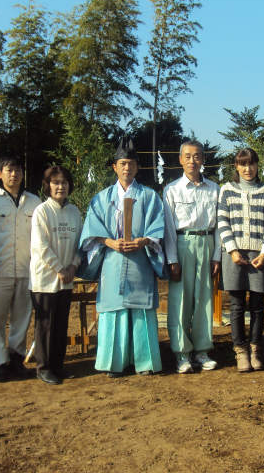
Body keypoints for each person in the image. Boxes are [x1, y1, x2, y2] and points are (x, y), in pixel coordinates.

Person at [78, 140, 165, 377]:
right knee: (113, 309)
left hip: (140, 260)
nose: (127, 168)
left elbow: (158, 228)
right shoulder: (101, 198)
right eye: (122, 164)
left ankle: (145, 362)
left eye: (131, 164)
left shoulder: (150, 196)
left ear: (137, 168)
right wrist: (109, 242)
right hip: (113, 260)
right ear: (115, 167)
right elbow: (91, 231)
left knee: (142, 310)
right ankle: (113, 363)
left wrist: (144, 241)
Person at [0, 157, 41, 381]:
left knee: (22, 316)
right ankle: (0, 363)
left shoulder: (34, 202)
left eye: (18, 170)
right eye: (9, 170)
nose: (14, 174)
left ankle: (16, 359)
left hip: (26, 268)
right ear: (0, 174)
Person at [218, 148, 264, 372]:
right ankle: (240, 351)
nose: (247, 168)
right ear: (236, 166)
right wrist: (233, 250)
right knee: (236, 305)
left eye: (251, 164)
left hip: (259, 256)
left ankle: (255, 349)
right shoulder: (227, 190)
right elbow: (222, 221)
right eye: (242, 164)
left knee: (257, 305)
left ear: (257, 165)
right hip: (233, 256)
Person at [163, 140, 220, 374]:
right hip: (182, 243)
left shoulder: (215, 189)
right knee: (181, 299)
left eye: (197, 156)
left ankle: (202, 350)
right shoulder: (172, 190)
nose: (192, 161)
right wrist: (172, 259)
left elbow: (220, 226)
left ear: (203, 159)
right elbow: (168, 228)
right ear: (180, 160)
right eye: (187, 156)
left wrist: (217, 256)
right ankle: (182, 353)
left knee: (204, 298)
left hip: (207, 242)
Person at [29, 166, 82, 385]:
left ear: (69, 185)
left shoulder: (75, 212)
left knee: (61, 324)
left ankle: (58, 365)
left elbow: (81, 243)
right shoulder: (42, 211)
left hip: (67, 278)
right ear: (48, 186)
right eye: (55, 182)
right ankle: (43, 368)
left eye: (64, 182)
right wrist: (59, 268)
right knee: (45, 325)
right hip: (46, 278)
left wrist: (73, 267)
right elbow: (41, 246)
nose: (60, 187)